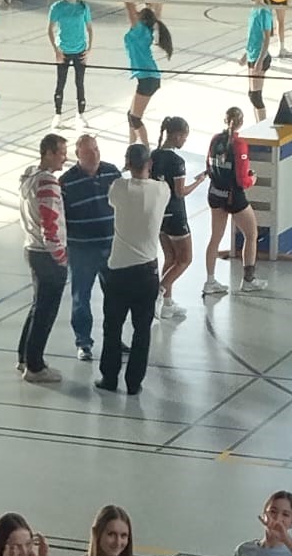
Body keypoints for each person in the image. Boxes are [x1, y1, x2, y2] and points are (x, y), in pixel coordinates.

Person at [96, 143, 168, 395]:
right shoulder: (162, 190)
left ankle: (109, 377)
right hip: (147, 272)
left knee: (112, 327)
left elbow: (113, 197)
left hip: (118, 270)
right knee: (142, 330)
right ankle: (134, 382)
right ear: (150, 164)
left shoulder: (119, 187)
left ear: (128, 164)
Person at [60, 132, 121, 362]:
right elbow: (61, 217)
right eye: (88, 151)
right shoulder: (67, 182)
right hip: (82, 250)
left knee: (115, 296)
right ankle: (83, 342)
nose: (94, 154)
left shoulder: (112, 172)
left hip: (112, 246)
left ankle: (114, 338)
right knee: (81, 296)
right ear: (78, 154)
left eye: (96, 149)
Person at [17, 133, 69, 385]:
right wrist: (60, 256)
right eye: (61, 153)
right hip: (47, 254)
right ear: (48, 153)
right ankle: (35, 367)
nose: (65, 158)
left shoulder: (30, 176)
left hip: (32, 248)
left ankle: (25, 357)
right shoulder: (48, 183)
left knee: (38, 307)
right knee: (46, 312)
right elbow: (50, 222)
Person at [202, 106, 266, 296]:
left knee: (215, 237)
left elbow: (208, 165)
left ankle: (210, 281)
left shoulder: (215, 140)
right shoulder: (239, 145)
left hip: (215, 193)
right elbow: (242, 180)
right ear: (241, 122)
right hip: (234, 197)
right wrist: (252, 179)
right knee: (251, 234)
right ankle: (248, 280)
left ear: (225, 120)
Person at [151, 115, 205, 320]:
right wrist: (199, 181)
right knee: (185, 259)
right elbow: (180, 192)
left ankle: (167, 304)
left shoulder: (153, 155)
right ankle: (160, 291)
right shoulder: (176, 161)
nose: (185, 141)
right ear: (176, 135)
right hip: (176, 215)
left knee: (170, 258)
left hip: (159, 214)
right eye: (184, 137)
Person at [121, 0, 173, 145]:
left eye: (138, 15)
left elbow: (129, 6)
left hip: (148, 78)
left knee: (135, 118)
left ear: (141, 19)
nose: (134, 15)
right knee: (131, 115)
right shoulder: (146, 30)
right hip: (147, 77)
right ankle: (131, 147)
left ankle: (145, 150)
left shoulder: (140, 30)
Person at [48, 0, 93, 126]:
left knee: (80, 83)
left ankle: (80, 114)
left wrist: (89, 49)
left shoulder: (83, 7)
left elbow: (89, 28)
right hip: (64, 51)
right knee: (61, 82)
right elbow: (50, 29)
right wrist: (56, 50)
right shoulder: (57, 7)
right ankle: (58, 114)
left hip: (80, 50)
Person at [245, 0, 275, 122]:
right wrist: (245, 54)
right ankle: (258, 125)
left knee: (256, 96)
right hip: (252, 55)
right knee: (252, 94)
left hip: (260, 57)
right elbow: (253, 36)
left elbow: (266, 39)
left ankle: (262, 125)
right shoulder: (254, 10)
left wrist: (259, 60)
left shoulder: (264, 12)